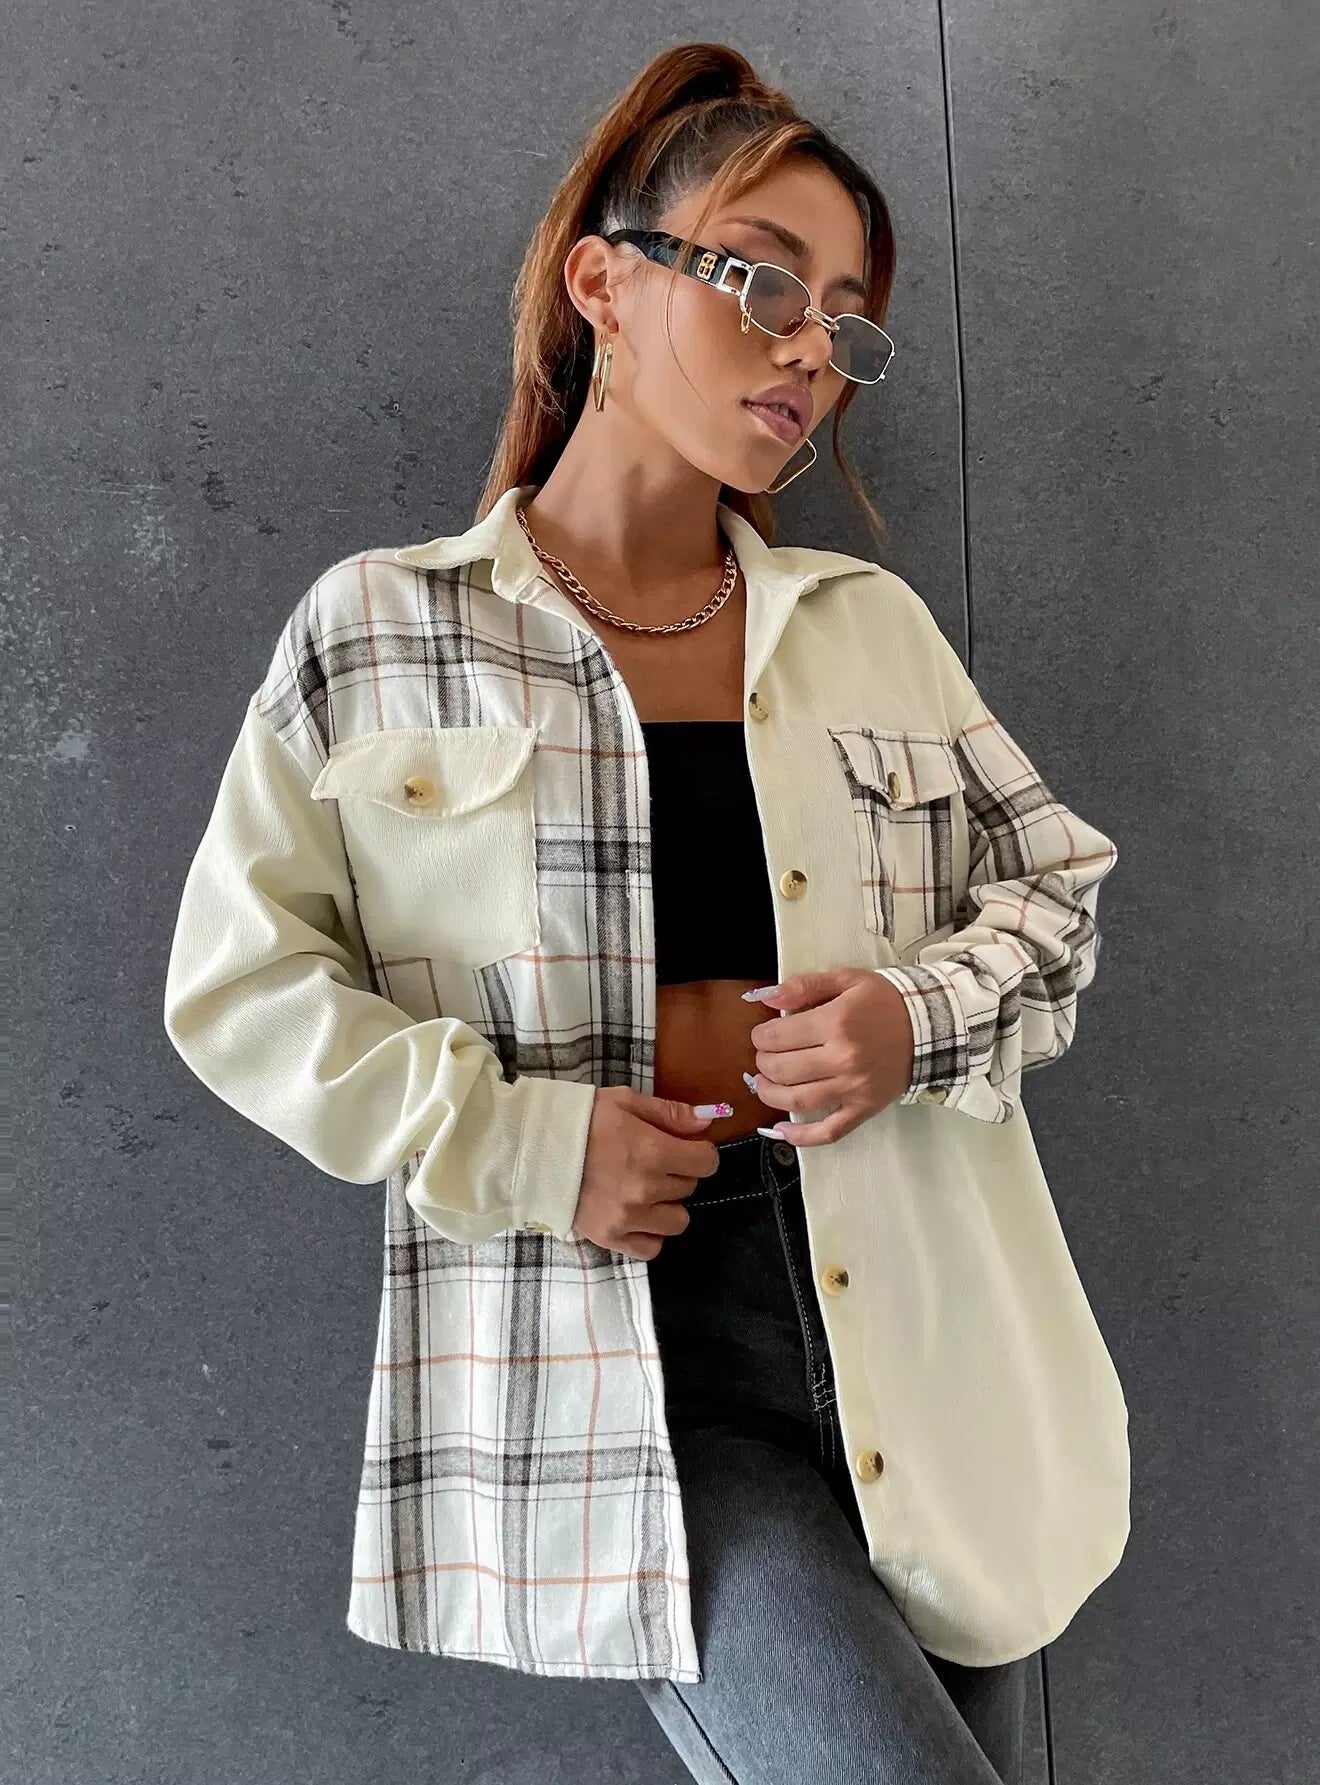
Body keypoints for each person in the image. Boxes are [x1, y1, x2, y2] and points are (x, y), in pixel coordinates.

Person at [163, 40, 1129, 1785]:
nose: (811, 346)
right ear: (604, 285)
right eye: (764, 280)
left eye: (848, 319)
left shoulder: (865, 630)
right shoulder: (382, 630)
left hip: (921, 1320)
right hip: (630, 1360)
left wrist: (911, 1019)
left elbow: (1055, 892)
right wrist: (527, 1144)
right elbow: (242, 987)